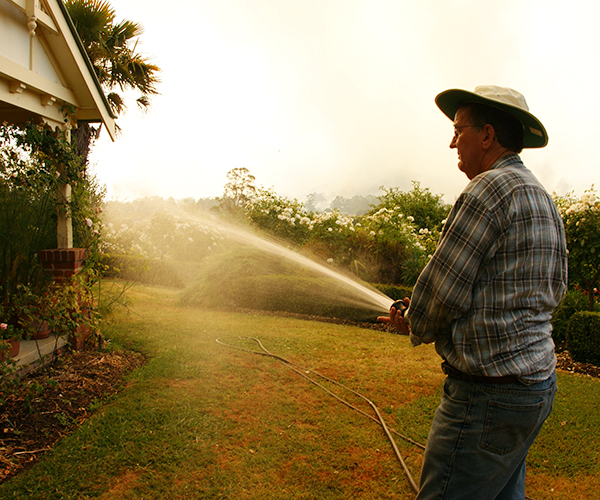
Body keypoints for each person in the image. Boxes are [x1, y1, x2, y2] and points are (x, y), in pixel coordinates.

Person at [379, 86, 568, 499]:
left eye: (457, 129)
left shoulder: (487, 190)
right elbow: (550, 290)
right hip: (535, 387)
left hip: (488, 395)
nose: (452, 141)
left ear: (486, 135)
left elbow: (443, 291)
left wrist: (415, 318)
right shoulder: (541, 197)